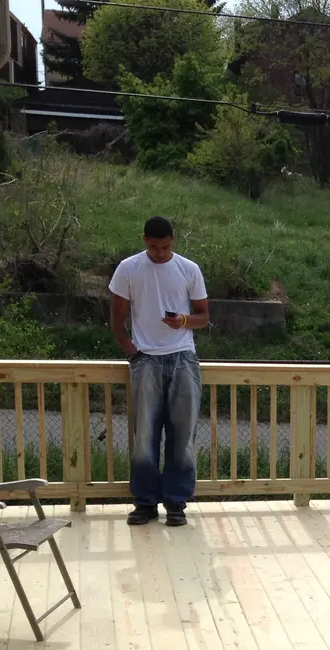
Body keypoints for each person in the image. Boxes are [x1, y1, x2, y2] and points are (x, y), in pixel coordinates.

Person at [109, 216, 210, 527]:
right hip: (146, 359)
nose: (159, 253)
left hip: (183, 357)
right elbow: (117, 315)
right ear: (144, 241)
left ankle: (176, 503)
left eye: (165, 247)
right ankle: (145, 503)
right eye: (153, 247)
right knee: (145, 435)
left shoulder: (188, 269)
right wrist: (130, 349)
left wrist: (182, 321)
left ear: (173, 241)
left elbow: (204, 316)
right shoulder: (128, 268)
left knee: (182, 435)